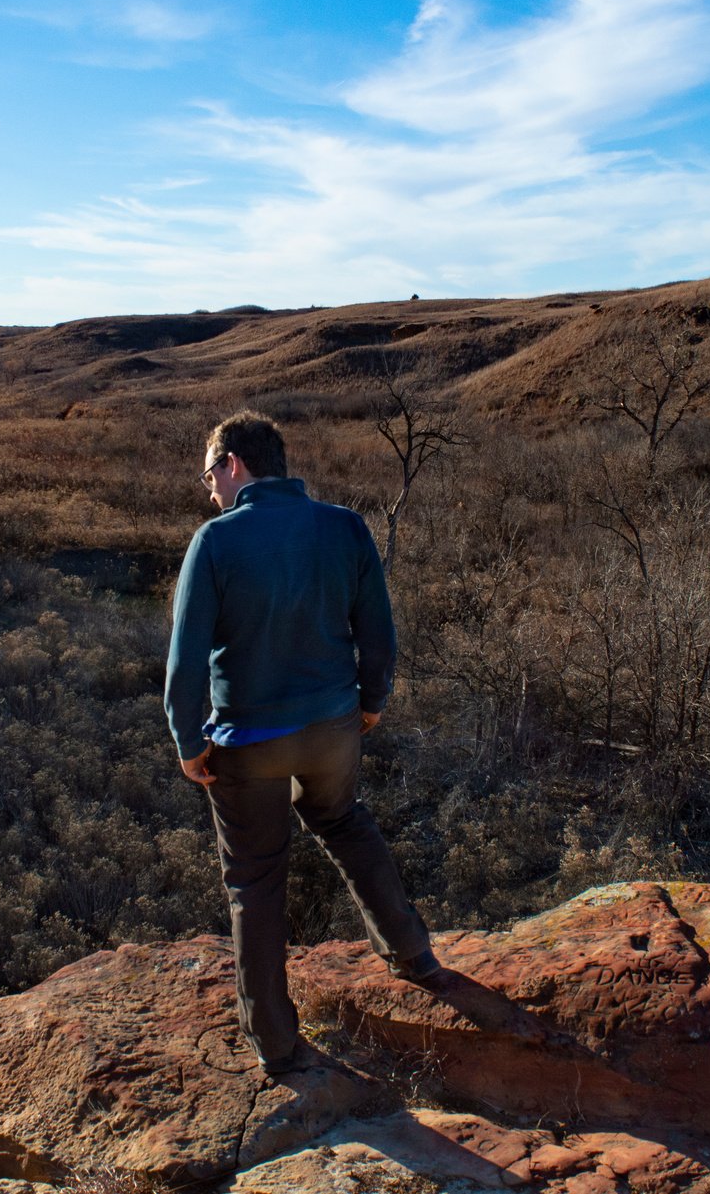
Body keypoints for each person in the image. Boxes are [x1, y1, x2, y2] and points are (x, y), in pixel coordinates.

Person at [165, 410, 443, 1076]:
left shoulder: (216, 540)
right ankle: (412, 951)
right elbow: (378, 631)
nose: (209, 492)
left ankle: (276, 1042)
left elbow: (185, 658)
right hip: (333, 728)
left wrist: (186, 738)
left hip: (250, 741)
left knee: (255, 880)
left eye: (210, 477)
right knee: (344, 819)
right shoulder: (345, 527)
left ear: (234, 464)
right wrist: (371, 700)